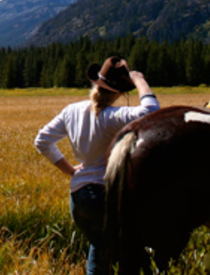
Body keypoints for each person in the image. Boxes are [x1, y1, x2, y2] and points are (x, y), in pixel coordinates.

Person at [34, 56, 160, 275]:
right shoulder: (112, 116)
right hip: (103, 195)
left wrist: (72, 171)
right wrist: (140, 81)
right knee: (106, 255)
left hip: (79, 197)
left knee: (103, 247)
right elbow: (150, 112)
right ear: (120, 92)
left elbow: (42, 141)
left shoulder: (71, 111)